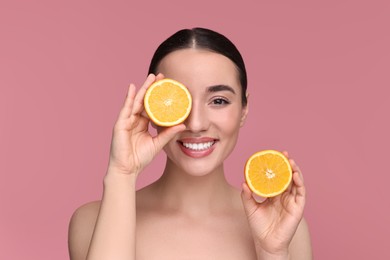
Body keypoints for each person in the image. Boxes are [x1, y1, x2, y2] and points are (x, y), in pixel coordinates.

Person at [68, 27, 312, 260]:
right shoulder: (91, 221)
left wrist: (272, 254)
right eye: (178, 100)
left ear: (244, 109)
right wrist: (122, 174)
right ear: (151, 107)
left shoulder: (286, 229)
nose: (196, 124)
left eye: (218, 101)